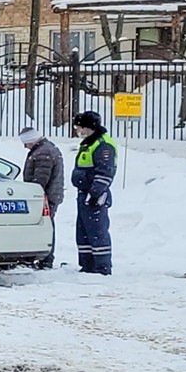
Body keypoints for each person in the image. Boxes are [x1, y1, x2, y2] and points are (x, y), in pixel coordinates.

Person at [69, 111, 116, 275]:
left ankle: (101, 267)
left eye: (80, 127)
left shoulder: (103, 145)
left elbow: (105, 171)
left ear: (89, 127)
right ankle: (87, 265)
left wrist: (95, 193)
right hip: (84, 194)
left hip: (95, 196)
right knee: (83, 232)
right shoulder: (88, 143)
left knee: (97, 232)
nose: (78, 131)